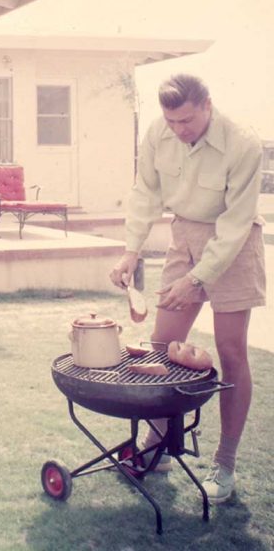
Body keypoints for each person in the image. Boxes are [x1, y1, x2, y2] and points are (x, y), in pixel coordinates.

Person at [110, 73, 266, 504]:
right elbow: (145, 193)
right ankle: (158, 446)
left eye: (188, 120)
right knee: (162, 344)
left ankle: (225, 464)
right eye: (172, 120)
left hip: (233, 243)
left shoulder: (243, 145)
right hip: (184, 235)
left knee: (231, 351)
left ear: (208, 106)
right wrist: (131, 252)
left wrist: (198, 279)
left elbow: (235, 225)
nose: (179, 129)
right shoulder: (158, 133)